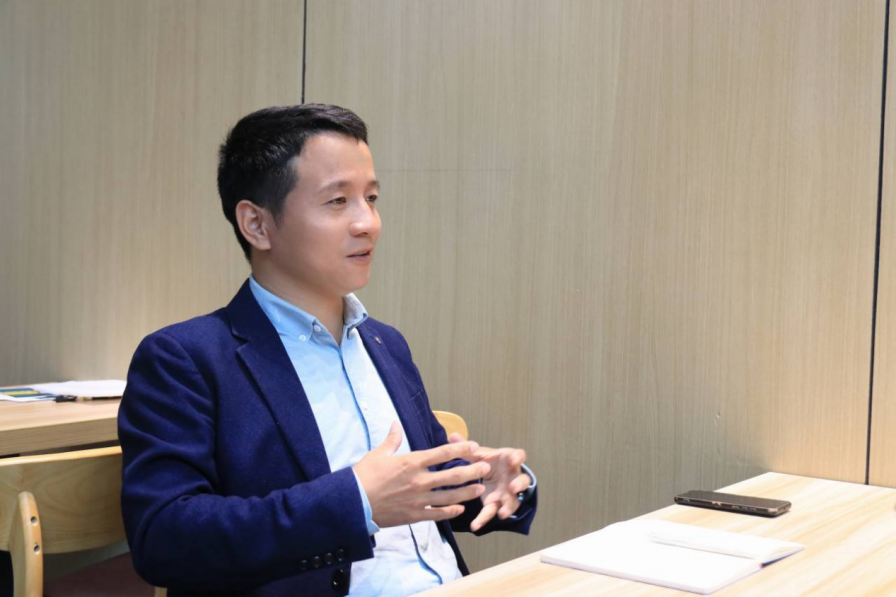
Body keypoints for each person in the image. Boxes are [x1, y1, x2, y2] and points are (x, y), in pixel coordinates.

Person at [118, 104, 538, 597]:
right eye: (338, 201)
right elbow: (165, 538)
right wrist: (356, 502)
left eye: (371, 198)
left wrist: (489, 483)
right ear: (256, 224)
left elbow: (414, 490)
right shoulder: (186, 359)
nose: (368, 223)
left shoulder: (385, 343)